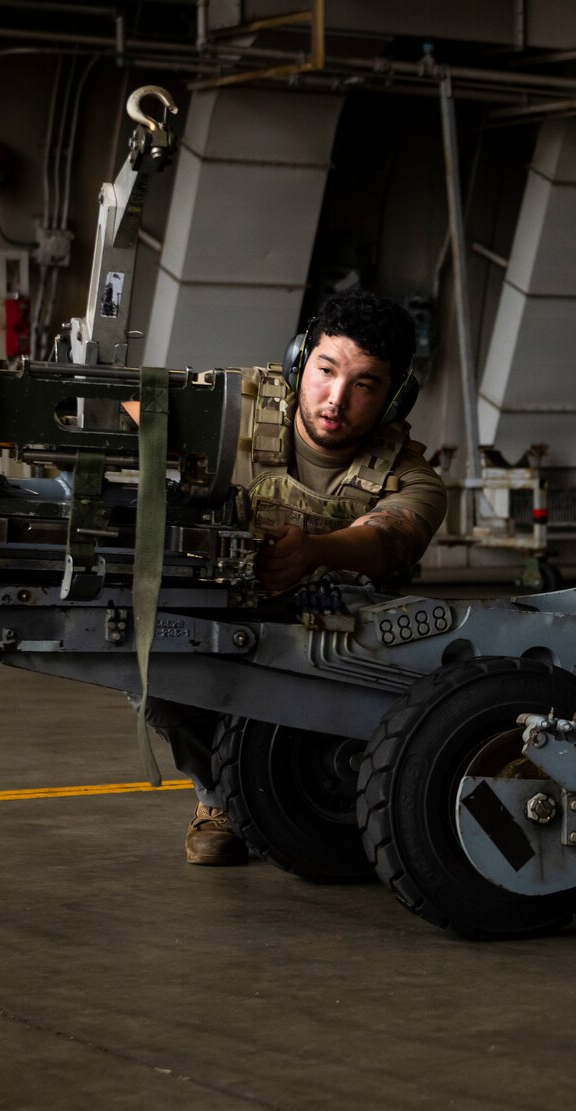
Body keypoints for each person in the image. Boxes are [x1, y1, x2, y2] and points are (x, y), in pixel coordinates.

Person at [144, 288, 448, 865]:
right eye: (326, 371)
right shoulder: (227, 411)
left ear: (394, 396)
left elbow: (395, 535)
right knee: (153, 665)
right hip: (224, 615)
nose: (337, 399)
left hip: (339, 642)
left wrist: (317, 548)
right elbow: (135, 419)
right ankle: (217, 799)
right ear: (298, 361)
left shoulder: (411, 475)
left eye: (365, 385)